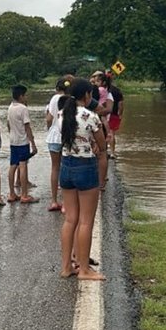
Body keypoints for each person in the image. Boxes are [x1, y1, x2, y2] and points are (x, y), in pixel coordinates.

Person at [59, 77, 107, 281]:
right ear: (87, 95)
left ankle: (66, 267)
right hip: (85, 167)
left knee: (71, 219)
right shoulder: (91, 116)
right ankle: (85, 269)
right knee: (86, 221)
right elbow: (102, 146)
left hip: (66, 166)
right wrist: (97, 148)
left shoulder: (63, 114)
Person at [44, 75, 73, 212]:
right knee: (67, 167)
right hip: (67, 136)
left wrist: (49, 128)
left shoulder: (54, 99)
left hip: (54, 136)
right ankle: (66, 204)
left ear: (57, 88)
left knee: (55, 168)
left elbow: (49, 118)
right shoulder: (71, 99)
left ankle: (54, 201)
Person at [6, 84, 38, 204]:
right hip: (22, 142)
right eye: (25, 95)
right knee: (23, 165)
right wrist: (33, 143)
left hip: (13, 141)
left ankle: (11, 194)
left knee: (13, 166)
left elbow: (8, 124)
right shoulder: (23, 109)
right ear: (20, 96)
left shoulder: (10, 107)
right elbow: (27, 127)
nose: (26, 98)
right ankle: (24, 195)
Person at [105, 73, 124, 159]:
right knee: (112, 133)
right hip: (114, 114)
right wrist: (120, 114)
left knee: (103, 133)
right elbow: (121, 104)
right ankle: (112, 152)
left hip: (103, 113)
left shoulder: (101, 90)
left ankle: (104, 151)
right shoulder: (117, 90)